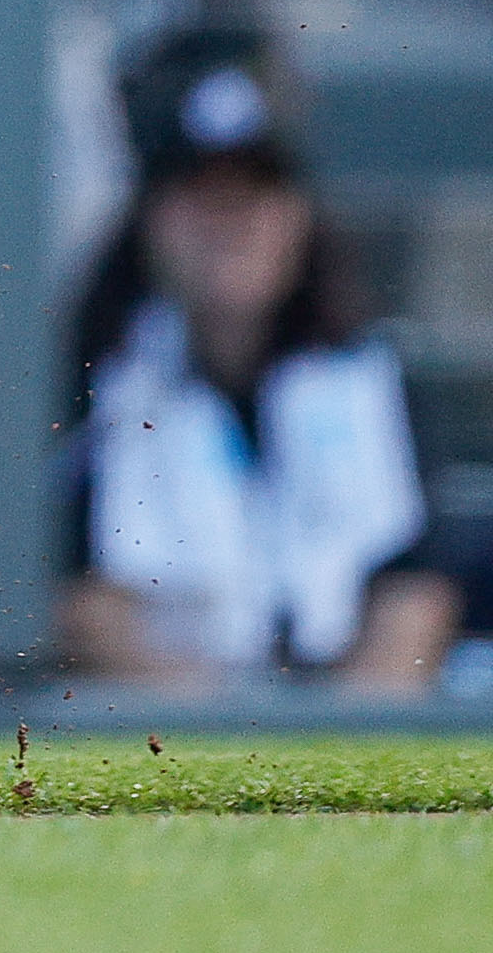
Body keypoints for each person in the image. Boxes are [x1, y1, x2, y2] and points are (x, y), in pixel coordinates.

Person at [58, 36, 455, 693]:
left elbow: (416, 588)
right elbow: (80, 601)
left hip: (341, 717)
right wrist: (222, 731)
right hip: (167, 731)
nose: (230, 224)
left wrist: (351, 729)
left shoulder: (370, 372)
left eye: (256, 193)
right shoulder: (91, 375)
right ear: (149, 216)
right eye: (200, 193)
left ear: (299, 213)